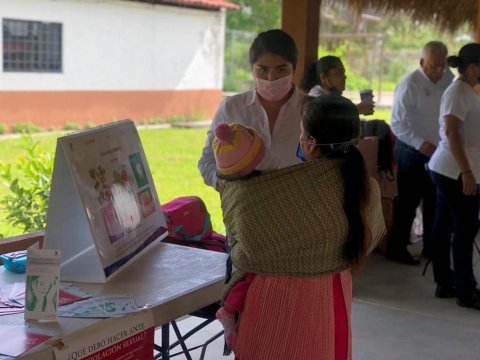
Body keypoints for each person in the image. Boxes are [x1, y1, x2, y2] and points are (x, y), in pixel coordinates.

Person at [218, 94, 386, 359]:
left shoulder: (266, 193)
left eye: (301, 130)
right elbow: (366, 240)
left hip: (274, 305)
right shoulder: (366, 188)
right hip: (329, 302)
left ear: (311, 143)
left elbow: (247, 250)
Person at [198, 29, 304, 190]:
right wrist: (227, 186)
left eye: (281, 69)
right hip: (246, 209)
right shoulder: (231, 108)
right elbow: (207, 161)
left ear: (294, 68)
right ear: (252, 70)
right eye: (262, 69)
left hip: (301, 209)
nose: (271, 77)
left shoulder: (310, 109)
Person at [387, 41, 454, 264]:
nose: (437, 71)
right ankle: (397, 249)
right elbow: (396, 123)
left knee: (434, 200)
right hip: (411, 150)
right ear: (421, 62)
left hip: (438, 151)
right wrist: (420, 143)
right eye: (433, 66)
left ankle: (432, 248)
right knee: (408, 203)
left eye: (441, 66)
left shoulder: (448, 79)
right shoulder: (410, 83)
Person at [211, 122, 276, 346]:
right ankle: (228, 311)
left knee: (244, 274)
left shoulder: (230, 186)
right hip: (251, 254)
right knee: (248, 274)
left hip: (241, 249)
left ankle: (231, 313)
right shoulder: (262, 186)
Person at [428, 43, 480, 309]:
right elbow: (452, 132)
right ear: (473, 67)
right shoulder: (458, 92)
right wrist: (467, 173)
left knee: (445, 227)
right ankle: (465, 290)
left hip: (452, 170)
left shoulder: (467, 91)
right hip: (454, 172)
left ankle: (446, 283)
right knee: (464, 229)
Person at [301, 55, 375, 116]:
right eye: (338, 73)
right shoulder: (316, 96)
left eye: (343, 73)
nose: (344, 77)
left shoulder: (332, 95)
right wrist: (356, 109)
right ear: (323, 77)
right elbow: (327, 115)